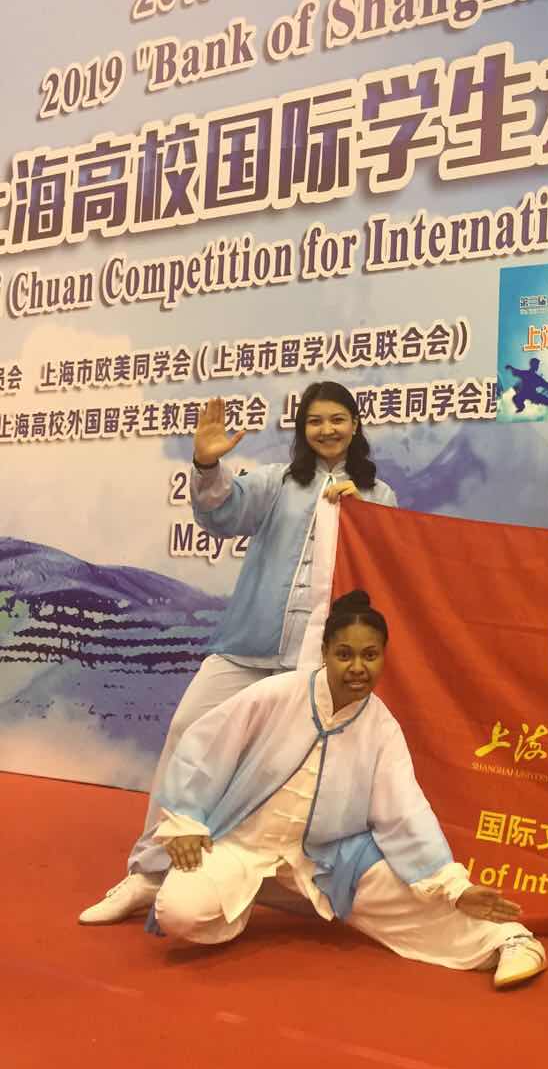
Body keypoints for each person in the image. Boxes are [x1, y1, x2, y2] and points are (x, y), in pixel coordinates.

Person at [80, 381, 399, 925]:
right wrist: (206, 465)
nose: (327, 430)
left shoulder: (379, 495)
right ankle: (149, 872)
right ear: (302, 429)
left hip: (317, 661)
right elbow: (221, 514)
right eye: (315, 420)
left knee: (290, 771)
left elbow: (390, 561)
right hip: (249, 644)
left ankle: (265, 881)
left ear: (355, 425)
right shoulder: (279, 482)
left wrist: (363, 514)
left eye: (337, 419)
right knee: (188, 731)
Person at [143, 590, 547, 984]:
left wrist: (455, 887)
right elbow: (205, 748)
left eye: (370, 656)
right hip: (242, 841)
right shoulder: (277, 693)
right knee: (180, 911)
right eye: (344, 655)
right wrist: (186, 820)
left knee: (417, 894)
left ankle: (509, 941)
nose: (357, 667)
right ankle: (249, 890)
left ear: (383, 657)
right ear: (324, 653)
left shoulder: (382, 728)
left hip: (328, 860)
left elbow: (406, 813)